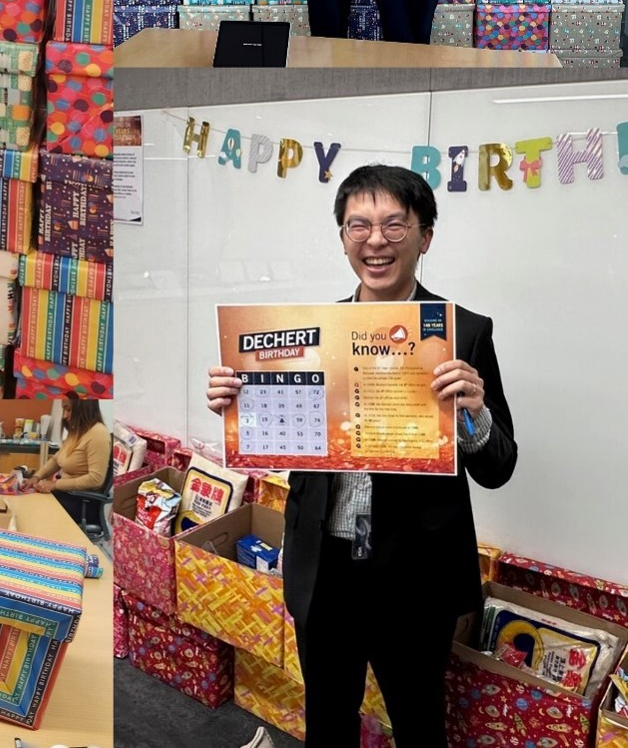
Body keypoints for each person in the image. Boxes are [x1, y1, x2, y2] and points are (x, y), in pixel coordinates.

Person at [207, 164, 516, 748]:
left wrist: (472, 412)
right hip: (325, 567)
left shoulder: (462, 332)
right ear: (343, 236)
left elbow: (499, 466)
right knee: (326, 718)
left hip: (416, 574)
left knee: (420, 722)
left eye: (395, 226)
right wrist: (238, 405)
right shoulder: (311, 333)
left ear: (425, 236)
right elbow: (284, 442)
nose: (376, 241)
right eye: (360, 226)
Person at [24, 399, 111, 522]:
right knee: (27, 500)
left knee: (33, 512)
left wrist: (55, 485)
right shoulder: (77, 431)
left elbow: (95, 479)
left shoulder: (98, 433)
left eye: (68, 409)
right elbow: (56, 460)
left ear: (84, 407)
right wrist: (36, 477)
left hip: (82, 502)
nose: (64, 415)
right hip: (67, 494)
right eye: (64, 410)